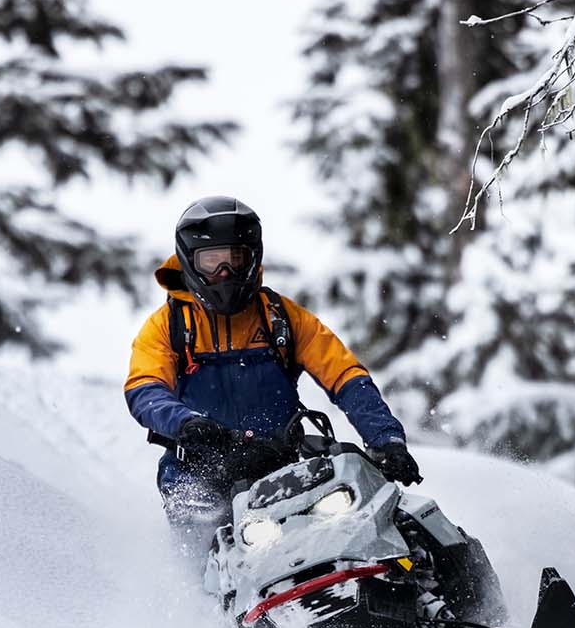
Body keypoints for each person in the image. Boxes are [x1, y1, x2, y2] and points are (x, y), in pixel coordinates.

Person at [124, 196, 421, 546]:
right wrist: (185, 423)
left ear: (254, 257)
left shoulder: (282, 317)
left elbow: (346, 376)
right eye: (213, 262)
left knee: (386, 521)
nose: (225, 273)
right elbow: (144, 388)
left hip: (281, 461)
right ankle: (198, 600)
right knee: (204, 556)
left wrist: (386, 439)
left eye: (236, 259)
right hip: (201, 471)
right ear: (189, 262)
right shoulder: (167, 326)